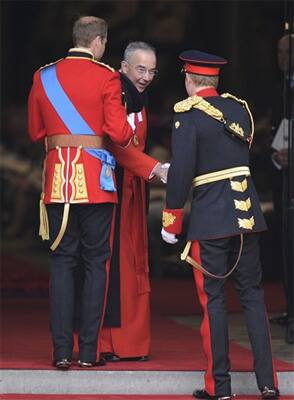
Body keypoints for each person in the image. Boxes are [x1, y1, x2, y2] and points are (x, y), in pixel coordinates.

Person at [161, 50, 279, 399]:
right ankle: (268, 384)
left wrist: (172, 220)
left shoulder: (188, 114)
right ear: (215, 80)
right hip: (246, 216)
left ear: (189, 79)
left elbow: (181, 173)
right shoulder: (239, 109)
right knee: (254, 299)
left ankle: (221, 388)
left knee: (213, 300)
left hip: (211, 220)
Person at [28, 16, 134, 370]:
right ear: (99, 42)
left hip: (58, 181)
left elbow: (34, 130)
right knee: (94, 265)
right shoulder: (107, 77)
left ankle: (60, 352)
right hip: (96, 184)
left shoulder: (43, 77)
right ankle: (88, 352)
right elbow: (119, 133)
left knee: (61, 264)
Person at [100, 41, 167, 361]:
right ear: (124, 67)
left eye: (152, 71)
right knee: (113, 267)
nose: (147, 76)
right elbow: (115, 144)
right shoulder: (113, 92)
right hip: (110, 187)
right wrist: (152, 168)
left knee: (134, 264)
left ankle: (132, 344)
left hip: (132, 189)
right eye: (141, 69)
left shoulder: (138, 97)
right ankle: (108, 344)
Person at [270, 34, 294, 344]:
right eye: (280, 51)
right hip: (281, 178)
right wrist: (275, 156)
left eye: (289, 51)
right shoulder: (275, 87)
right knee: (285, 244)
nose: (283, 56)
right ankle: (290, 307)